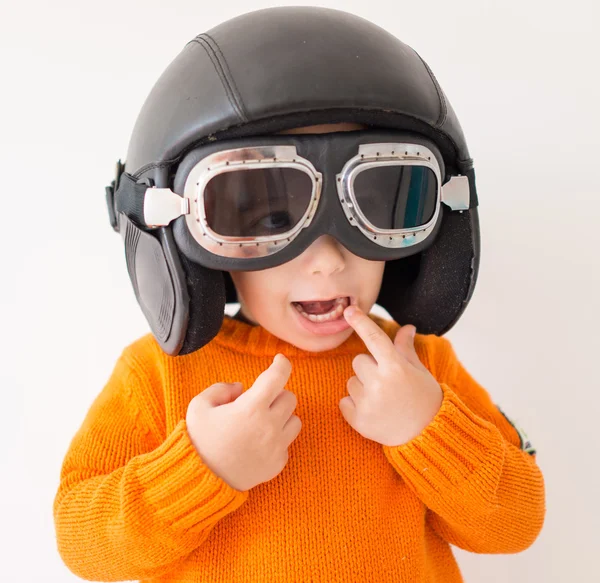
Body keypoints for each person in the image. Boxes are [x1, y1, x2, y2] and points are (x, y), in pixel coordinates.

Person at [53, 6, 545, 582]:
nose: (329, 260)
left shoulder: (419, 369)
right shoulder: (157, 377)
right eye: (268, 220)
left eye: (373, 210)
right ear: (188, 242)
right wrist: (201, 469)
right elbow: (81, 545)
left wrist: (428, 429)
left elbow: (516, 523)